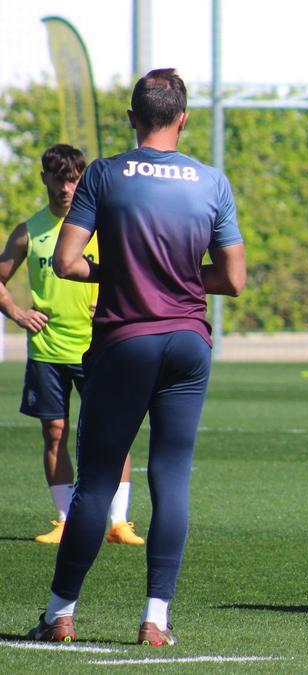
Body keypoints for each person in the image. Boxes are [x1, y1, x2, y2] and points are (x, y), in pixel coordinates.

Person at [26, 68, 245, 646]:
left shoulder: (104, 174)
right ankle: (155, 620)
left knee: (96, 483)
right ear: (184, 118)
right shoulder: (211, 180)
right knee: (171, 478)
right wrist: (177, 275)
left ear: (131, 118)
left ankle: (60, 614)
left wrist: (121, 271)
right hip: (189, 344)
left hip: (126, 341)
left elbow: (70, 263)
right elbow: (233, 279)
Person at [0, 145, 144, 547]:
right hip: (48, 350)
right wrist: (16, 312)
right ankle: (64, 520)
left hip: (100, 345)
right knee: (55, 432)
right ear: (44, 178)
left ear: (82, 180)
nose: (66, 187)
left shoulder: (102, 226)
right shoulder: (30, 230)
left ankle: (119, 522)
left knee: (116, 431)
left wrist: (115, 296)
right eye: (59, 178)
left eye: (73, 179)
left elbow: (136, 269)